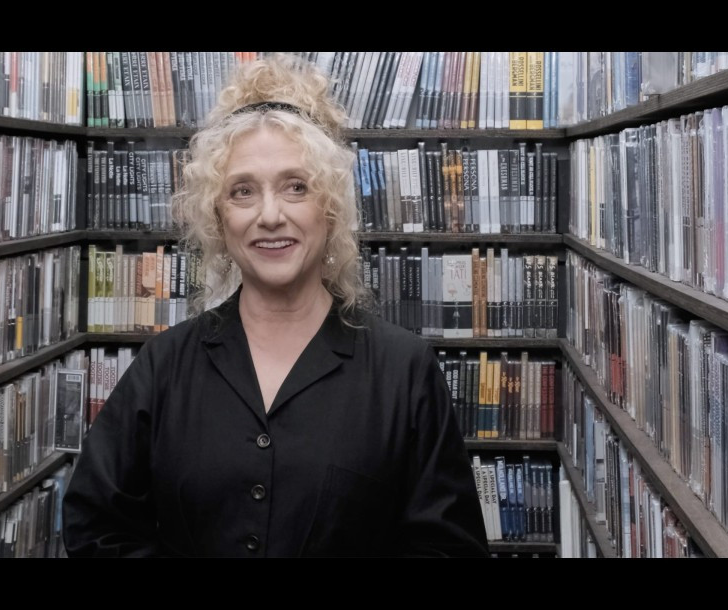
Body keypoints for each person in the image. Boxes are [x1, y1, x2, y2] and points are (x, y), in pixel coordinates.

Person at [62, 55, 489, 557]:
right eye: (243, 191)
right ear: (217, 218)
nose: (270, 215)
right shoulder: (164, 366)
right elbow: (96, 528)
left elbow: (449, 548)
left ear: (329, 209)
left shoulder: (405, 370)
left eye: (296, 186)